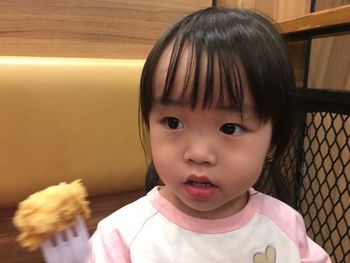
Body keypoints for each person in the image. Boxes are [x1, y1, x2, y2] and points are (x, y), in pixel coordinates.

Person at [89, 7, 331, 262]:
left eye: (230, 128)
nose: (198, 154)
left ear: (273, 141)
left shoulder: (285, 226)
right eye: (173, 122)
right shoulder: (121, 238)